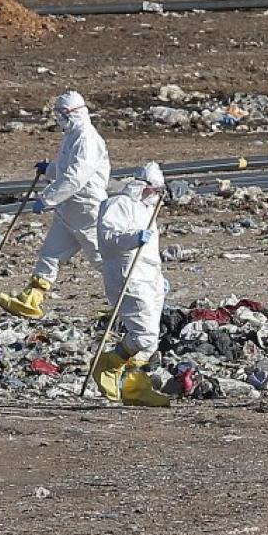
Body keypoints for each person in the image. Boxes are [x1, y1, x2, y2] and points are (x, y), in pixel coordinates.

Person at [0, 91, 110, 320]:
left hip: (86, 208)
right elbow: (66, 169)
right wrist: (49, 170)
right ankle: (30, 299)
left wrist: (48, 198)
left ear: (71, 113)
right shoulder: (72, 135)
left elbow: (76, 177)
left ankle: (132, 297)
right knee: (51, 254)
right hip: (69, 208)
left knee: (102, 258)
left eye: (61, 114)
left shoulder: (87, 138)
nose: (58, 118)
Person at [90, 163, 171, 407]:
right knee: (143, 335)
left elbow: (150, 249)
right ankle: (108, 365)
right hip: (128, 274)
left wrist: (159, 274)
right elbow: (107, 240)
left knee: (152, 336)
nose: (155, 196)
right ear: (142, 186)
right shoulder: (119, 205)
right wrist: (133, 239)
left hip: (149, 275)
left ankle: (135, 386)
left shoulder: (149, 210)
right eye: (153, 190)